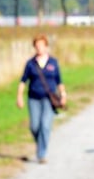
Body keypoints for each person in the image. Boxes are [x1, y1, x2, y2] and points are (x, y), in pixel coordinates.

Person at [16, 34, 67, 164]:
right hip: (33, 98)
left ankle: (41, 154)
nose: (39, 48)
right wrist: (19, 96)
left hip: (49, 99)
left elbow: (59, 81)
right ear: (34, 47)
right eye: (37, 46)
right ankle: (41, 144)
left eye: (41, 45)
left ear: (46, 46)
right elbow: (23, 81)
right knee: (34, 126)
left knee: (45, 125)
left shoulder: (53, 62)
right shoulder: (30, 64)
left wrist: (63, 95)